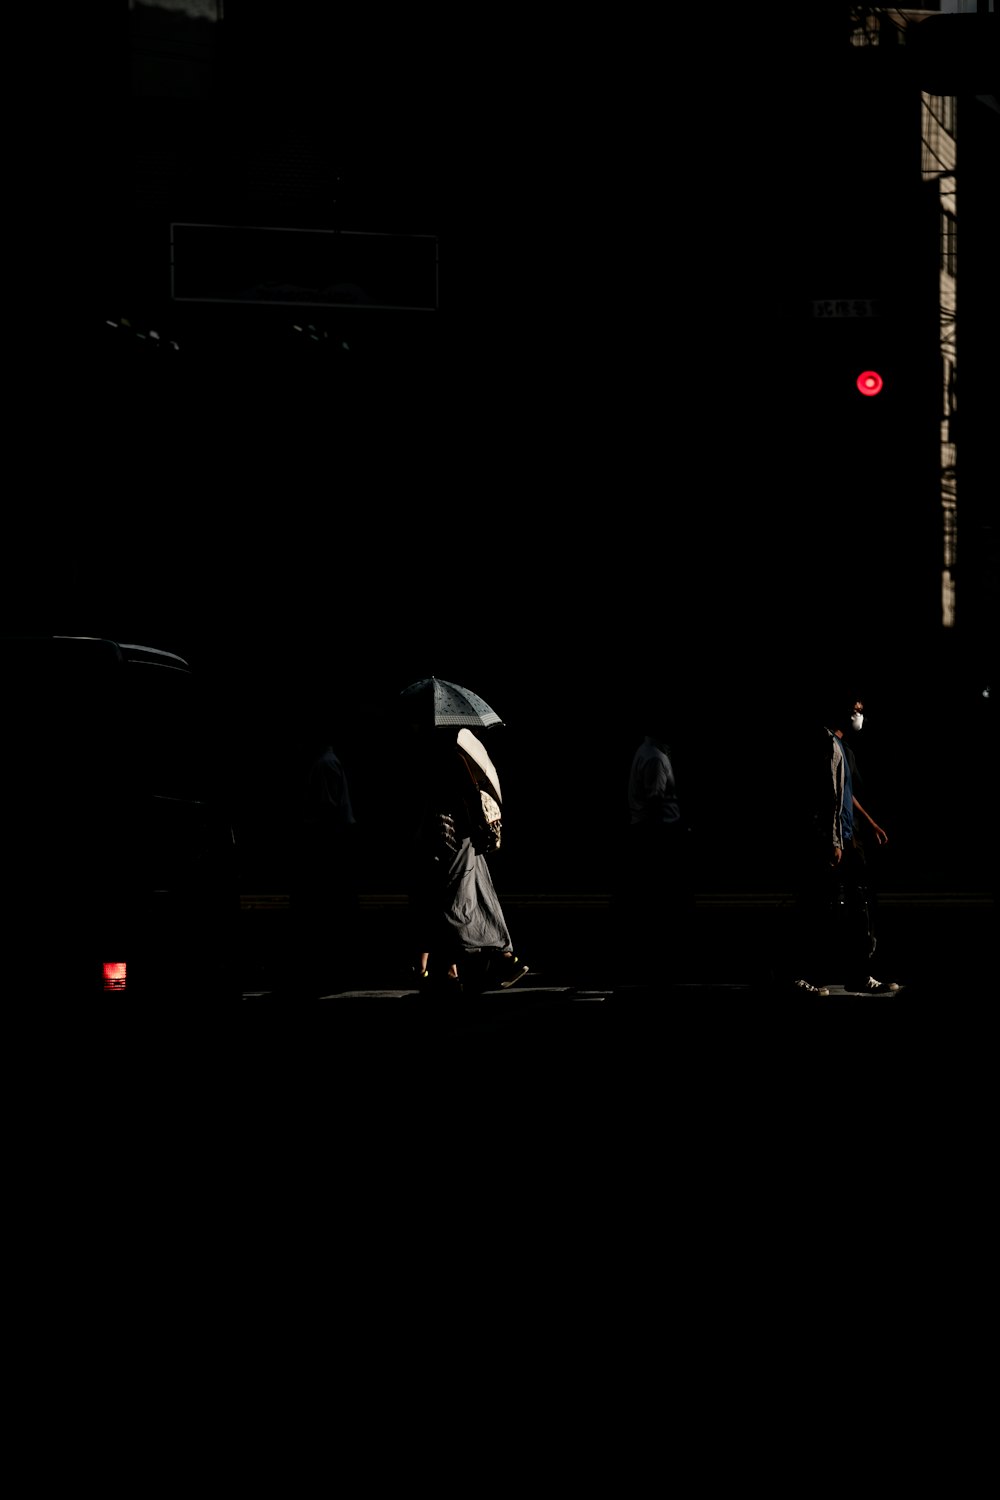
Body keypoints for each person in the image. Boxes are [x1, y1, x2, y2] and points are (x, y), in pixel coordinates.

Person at [405, 721, 528, 997]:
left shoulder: (442, 758)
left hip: (449, 840)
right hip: (461, 839)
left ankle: (483, 962)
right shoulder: (457, 754)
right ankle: (467, 966)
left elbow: (454, 800)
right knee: (462, 898)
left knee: (453, 903)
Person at [830, 696, 899, 994]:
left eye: (861, 711)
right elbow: (829, 797)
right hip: (839, 837)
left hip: (848, 835)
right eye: (856, 711)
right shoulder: (829, 746)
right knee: (837, 905)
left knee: (860, 906)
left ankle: (859, 973)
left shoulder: (844, 749)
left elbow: (845, 792)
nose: (859, 716)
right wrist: (834, 839)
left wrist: (869, 822)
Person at [618, 713, 692, 986]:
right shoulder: (656, 758)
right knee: (662, 898)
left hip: (650, 832)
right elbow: (656, 801)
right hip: (657, 834)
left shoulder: (647, 752)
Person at [288, 732, 360, 995]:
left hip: (329, 846)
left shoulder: (324, 764)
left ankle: (331, 975)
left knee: (327, 910)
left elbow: (327, 811)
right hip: (333, 845)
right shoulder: (329, 762)